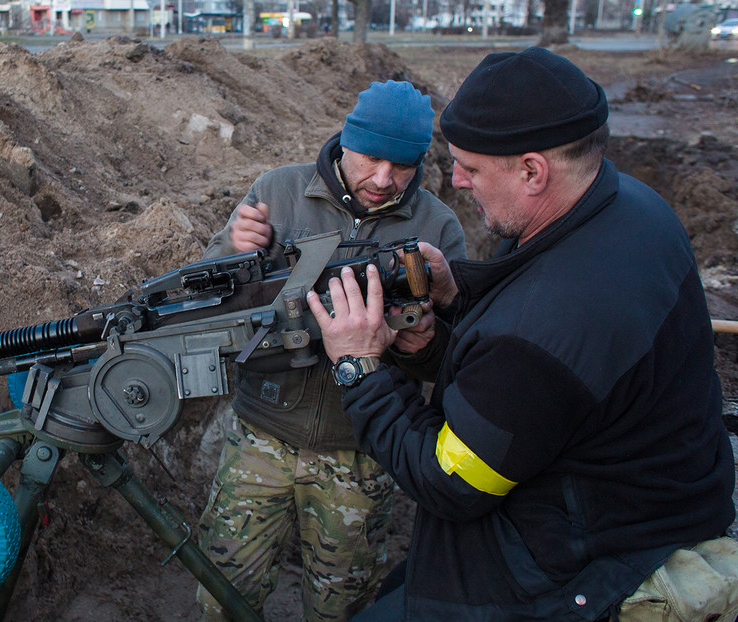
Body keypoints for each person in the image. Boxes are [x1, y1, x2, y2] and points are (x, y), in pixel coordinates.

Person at [307, 47, 738, 621]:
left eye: (471, 167)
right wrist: (457, 290)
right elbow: (537, 318)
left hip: (579, 567)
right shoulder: (634, 208)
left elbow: (448, 483)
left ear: (533, 170)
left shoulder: (545, 332)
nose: (456, 182)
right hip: (648, 501)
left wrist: (359, 367)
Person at [196, 80, 467, 621]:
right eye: (370, 158)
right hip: (260, 437)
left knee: (344, 605)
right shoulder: (280, 191)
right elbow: (208, 302)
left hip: (362, 454)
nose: (383, 179)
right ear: (345, 139)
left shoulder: (438, 228)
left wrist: (421, 346)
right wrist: (230, 248)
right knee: (223, 592)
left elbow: (457, 360)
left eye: (403, 166)